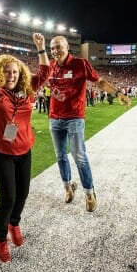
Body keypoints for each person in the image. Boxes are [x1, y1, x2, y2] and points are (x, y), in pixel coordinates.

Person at [0, 20, 50, 262]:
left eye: (15, 72)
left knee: (23, 194)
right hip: (0, 150)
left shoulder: (27, 88)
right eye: (7, 71)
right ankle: (1, 238)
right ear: (0, 73)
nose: (12, 75)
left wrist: (41, 48)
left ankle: (15, 224)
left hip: (24, 148)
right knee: (8, 197)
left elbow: (46, 72)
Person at [48, 36, 131, 212]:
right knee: (60, 156)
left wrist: (117, 93)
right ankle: (68, 187)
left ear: (67, 47)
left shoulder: (80, 64)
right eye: (52, 48)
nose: (55, 51)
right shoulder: (51, 67)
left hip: (74, 118)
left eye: (59, 47)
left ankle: (89, 192)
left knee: (79, 156)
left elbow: (99, 81)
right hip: (55, 118)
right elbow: (48, 86)